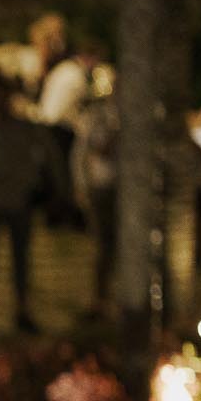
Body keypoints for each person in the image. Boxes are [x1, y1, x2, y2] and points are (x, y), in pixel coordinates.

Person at [0, 78, 62, 335]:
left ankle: (22, 309)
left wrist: (44, 184)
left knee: (20, 259)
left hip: (17, 201)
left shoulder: (24, 130)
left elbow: (48, 153)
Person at [71, 87, 121, 317]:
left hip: (124, 189)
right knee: (103, 244)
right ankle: (100, 298)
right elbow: (84, 152)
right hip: (101, 187)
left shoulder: (134, 115)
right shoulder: (98, 117)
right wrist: (81, 186)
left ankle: (121, 297)